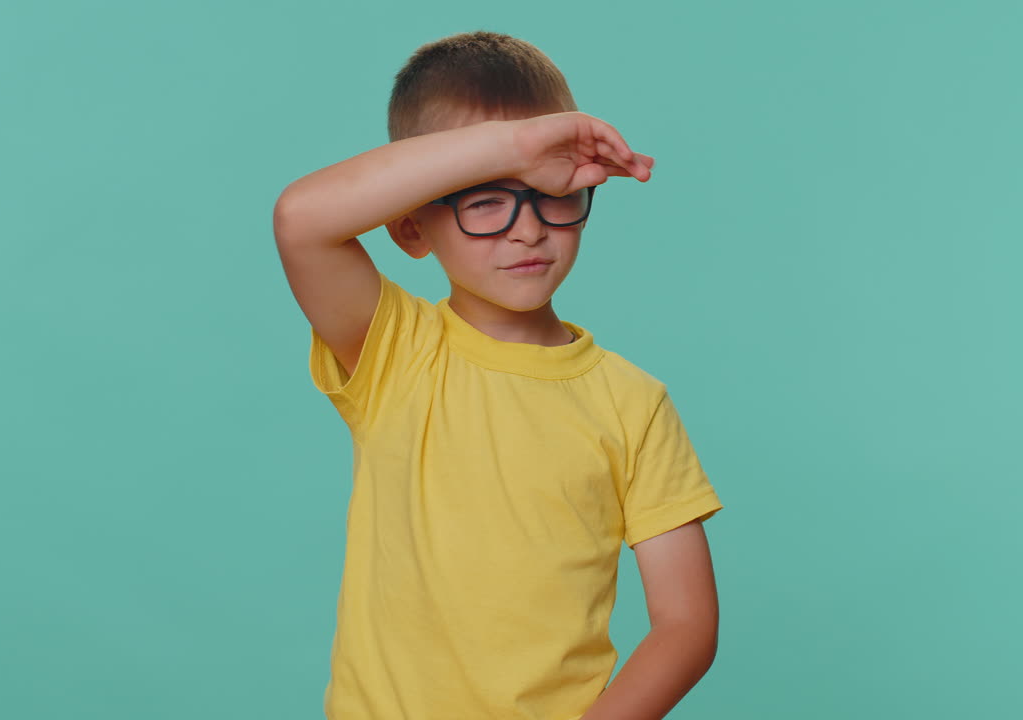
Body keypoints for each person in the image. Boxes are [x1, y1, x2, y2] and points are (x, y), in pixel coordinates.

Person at [273, 30, 724, 720]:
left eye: (552, 191)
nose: (528, 229)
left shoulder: (633, 403)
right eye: (484, 200)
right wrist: (521, 148)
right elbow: (302, 220)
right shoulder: (393, 350)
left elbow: (685, 624)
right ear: (411, 229)